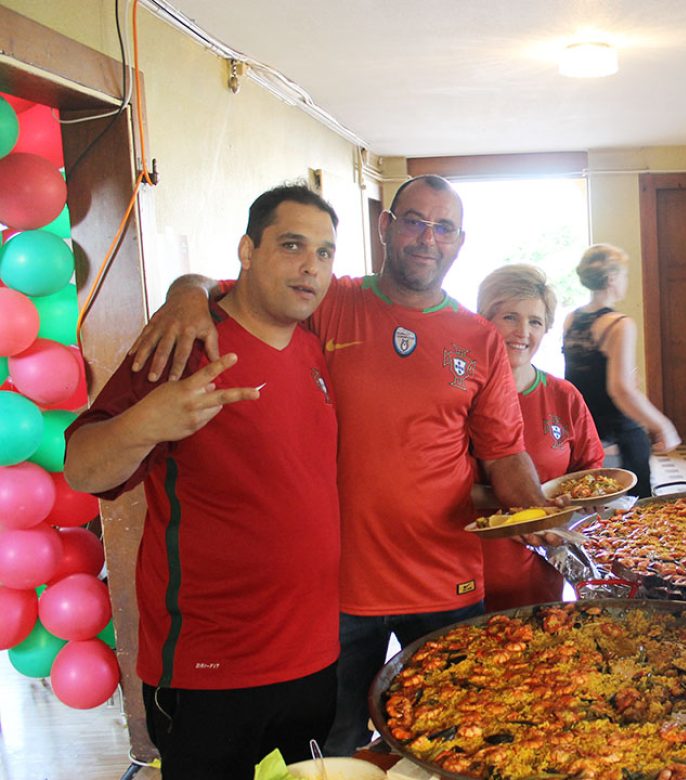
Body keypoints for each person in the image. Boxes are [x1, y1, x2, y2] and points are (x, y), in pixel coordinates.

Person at [126, 174, 553, 756]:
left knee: (458, 739)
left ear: (459, 241)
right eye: (414, 221)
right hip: (337, 594)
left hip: (446, 582)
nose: (428, 238)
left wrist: (544, 517)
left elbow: (504, 452)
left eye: (444, 227)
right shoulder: (328, 300)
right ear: (386, 226)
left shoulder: (478, 338)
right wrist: (183, 289)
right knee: (335, 749)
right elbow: (228, 289)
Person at [63, 184, 341, 779]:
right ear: (247, 249)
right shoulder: (185, 343)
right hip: (211, 670)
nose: (310, 267)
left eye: (324, 253)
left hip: (312, 656)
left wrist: (190, 285)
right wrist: (144, 422)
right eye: (292, 245)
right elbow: (83, 467)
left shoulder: (314, 350)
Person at [475, 264, 605, 610]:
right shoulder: (459, 398)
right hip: (465, 578)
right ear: (483, 321)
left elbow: (591, 475)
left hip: (542, 576)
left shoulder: (564, 396)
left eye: (535, 321)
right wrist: (515, 505)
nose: (522, 332)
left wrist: (576, 503)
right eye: (509, 317)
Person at [563, 243, 680, 497]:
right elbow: (621, 390)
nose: (627, 280)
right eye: (625, 274)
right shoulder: (619, 324)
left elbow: (581, 378)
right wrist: (663, 425)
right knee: (633, 513)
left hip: (582, 432)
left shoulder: (571, 319)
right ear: (612, 278)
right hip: (617, 436)